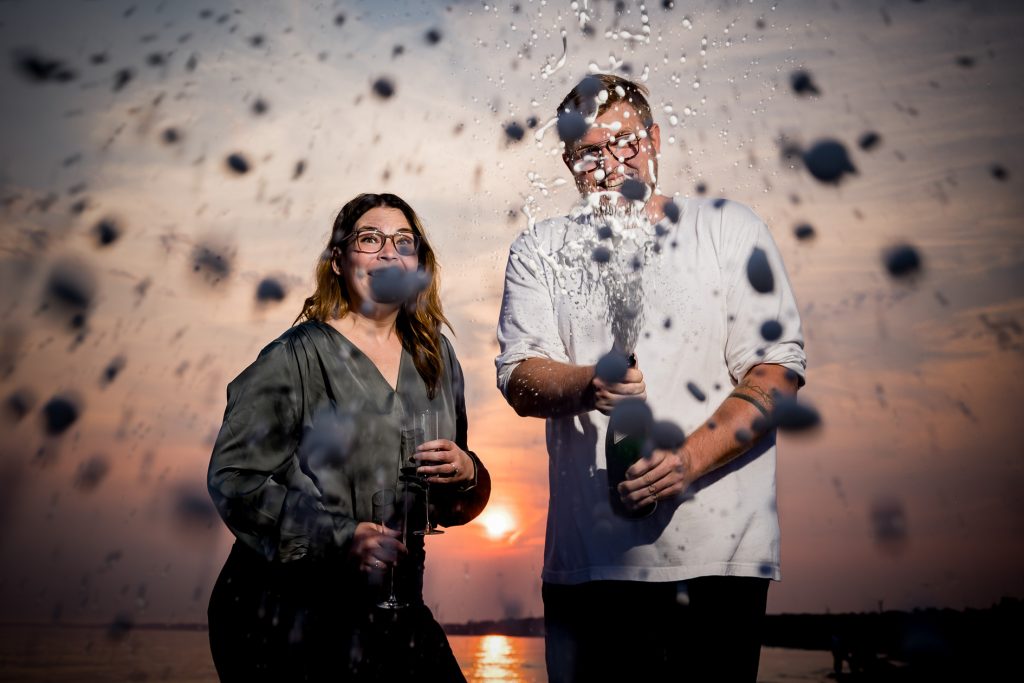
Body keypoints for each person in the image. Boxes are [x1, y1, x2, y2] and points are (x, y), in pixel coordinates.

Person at [496, 74, 807, 682]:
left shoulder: (728, 228)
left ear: (656, 140)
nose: (611, 165)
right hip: (588, 568)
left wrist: (686, 462)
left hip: (720, 565)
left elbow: (777, 372)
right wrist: (588, 384)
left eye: (627, 144)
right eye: (590, 153)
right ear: (568, 162)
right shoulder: (539, 247)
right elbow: (518, 377)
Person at [207, 192, 490, 682]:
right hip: (287, 613)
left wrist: (467, 475)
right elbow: (233, 478)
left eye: (404, 242)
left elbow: (446, 503)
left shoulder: (436, 357)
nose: (388, 252)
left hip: (396, 606)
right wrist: (339, 538)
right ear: (338, 260)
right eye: (369, 239)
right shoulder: (295, 356)